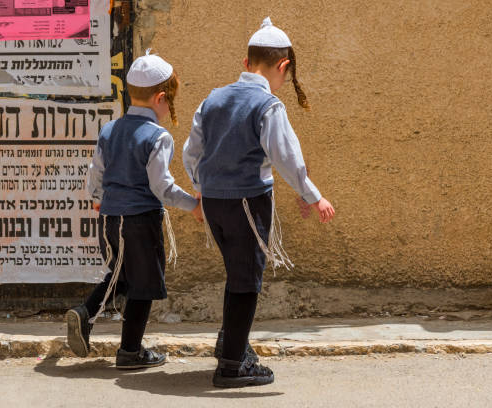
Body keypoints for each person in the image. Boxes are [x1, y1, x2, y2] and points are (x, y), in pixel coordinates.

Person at [183, 17, 335, 388]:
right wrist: (313, 196)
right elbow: (286, 157)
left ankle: (230, 346)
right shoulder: (268, 105)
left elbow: (191, 153)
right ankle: (233, 366)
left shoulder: (212, 99)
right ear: (283, 66)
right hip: (247, 202)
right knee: (248, 280)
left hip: (216, 202)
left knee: (236, 275)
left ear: (247, 61)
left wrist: (201, 188)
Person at [66, 50, 203, 369]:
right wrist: (193, 205)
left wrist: (98, 198)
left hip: (110, 220)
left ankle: (85, 314)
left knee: (121, 277)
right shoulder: (159, 136)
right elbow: (161, 187)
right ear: (159, 98)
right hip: (140, 222)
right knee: (141, 285)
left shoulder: (109, 130)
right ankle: (129, 351)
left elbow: (94, 173)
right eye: (171, 101)